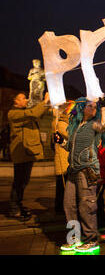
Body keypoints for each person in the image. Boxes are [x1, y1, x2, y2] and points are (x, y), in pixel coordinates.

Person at [56, 98, 105, 253]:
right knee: (69, 205)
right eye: (89, 106)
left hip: (87, 170)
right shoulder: (76, 126)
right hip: (73, 171)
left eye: (95, 106)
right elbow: (71, 148)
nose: (93, 108)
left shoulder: (94, 124)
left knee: (86, 206)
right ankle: (74, 238)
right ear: (81, 108)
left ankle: (91, 239)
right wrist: (61, 142)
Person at [8, 91, 50, 221]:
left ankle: (18, 205)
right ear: (15, 101)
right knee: (19, 182)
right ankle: (14, 209)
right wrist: (44, 101)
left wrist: (46, 105)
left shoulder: (24, 114)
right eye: (22, 98)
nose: (26, 100)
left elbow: (38, 114)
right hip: (20, 152)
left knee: (23, 181)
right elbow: (34, 113)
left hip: (27, 153)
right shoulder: (14, 113)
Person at [51, 104, 70, 214]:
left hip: (64, 160)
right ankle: (60, 209)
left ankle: (60, 208)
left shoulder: (60, 123)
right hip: (63, 161)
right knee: (63, 187)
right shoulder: (62, 124)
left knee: (62, 187)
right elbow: (72, 136)